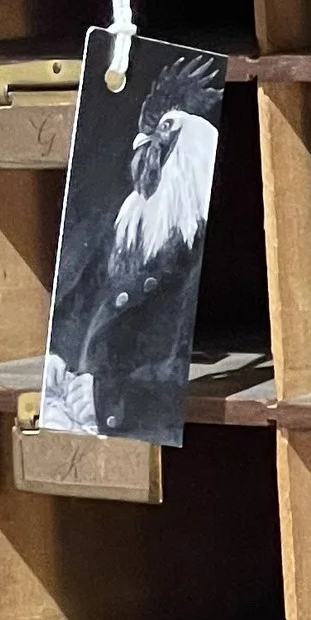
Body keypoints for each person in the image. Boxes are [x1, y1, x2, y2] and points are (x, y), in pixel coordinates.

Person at [41, 87, 217, 442]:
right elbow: (86, 297)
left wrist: (111, 398)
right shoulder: (129, 224)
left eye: (165, 126)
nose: (146, 137)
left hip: (139, 430)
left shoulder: (193, 239)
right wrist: (59, 354)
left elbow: (172, 362)